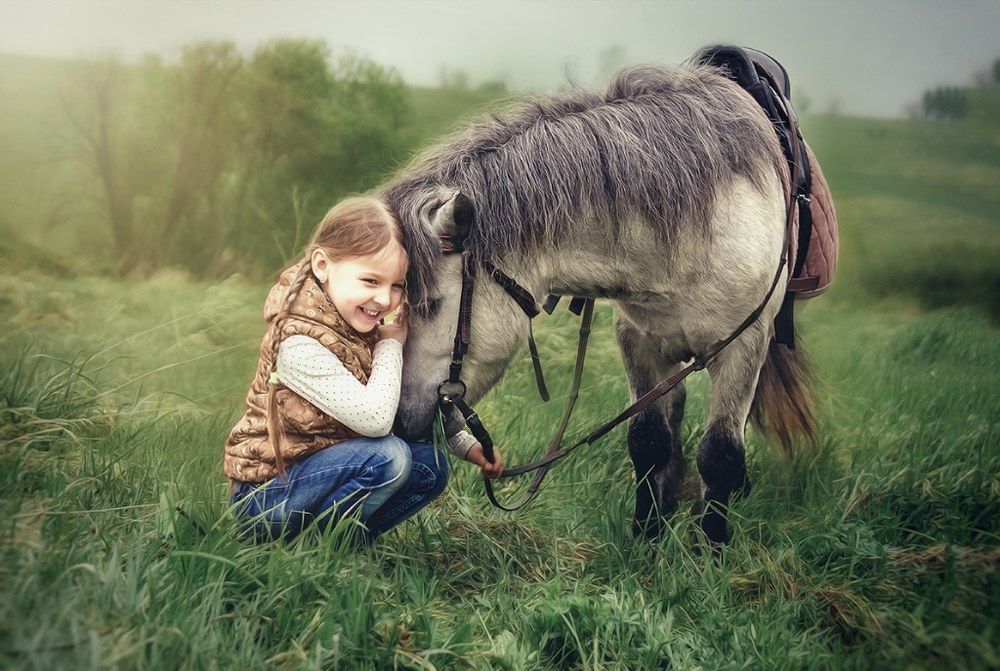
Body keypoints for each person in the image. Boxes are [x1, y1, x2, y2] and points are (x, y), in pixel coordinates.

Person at [224, 196, 502, 543]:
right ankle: (313, 549)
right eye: (371, 281)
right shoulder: (297, 344)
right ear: (323, 266)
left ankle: (345, 542)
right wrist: (390, 345)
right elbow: (375, 420)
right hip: (268, 498)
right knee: (389, 457)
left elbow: (401, 401)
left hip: (321, 470)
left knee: (429, 467)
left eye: (396, 285)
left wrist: (464, 443)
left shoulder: (356, 323)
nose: (385, 299)